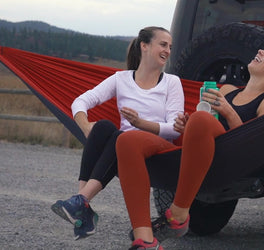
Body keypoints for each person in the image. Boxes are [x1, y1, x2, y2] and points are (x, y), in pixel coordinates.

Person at [116, 45, 264, 249]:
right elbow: (203, 123)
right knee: (127, 141)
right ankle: (145, 239)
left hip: (228, 159)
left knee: (201, 119)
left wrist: (228, 113)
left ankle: (179, 212)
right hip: (197, 156)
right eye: (263, 48)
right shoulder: (227, 90)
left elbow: (254, 144)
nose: (261, 51)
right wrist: (186, 126)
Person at [51, 26, 184, 240]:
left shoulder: (171, 82)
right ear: (145, 46)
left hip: (161, 151)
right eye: (163, 44)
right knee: (103, 127)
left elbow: (174, 129)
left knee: (122, 137)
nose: (168, 50)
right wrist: (86, 127)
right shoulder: (120, 79)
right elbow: (80, 101)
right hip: (125, 151)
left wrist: (140, 123)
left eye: (170, 46)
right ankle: (81, 204)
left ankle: (80, 201)